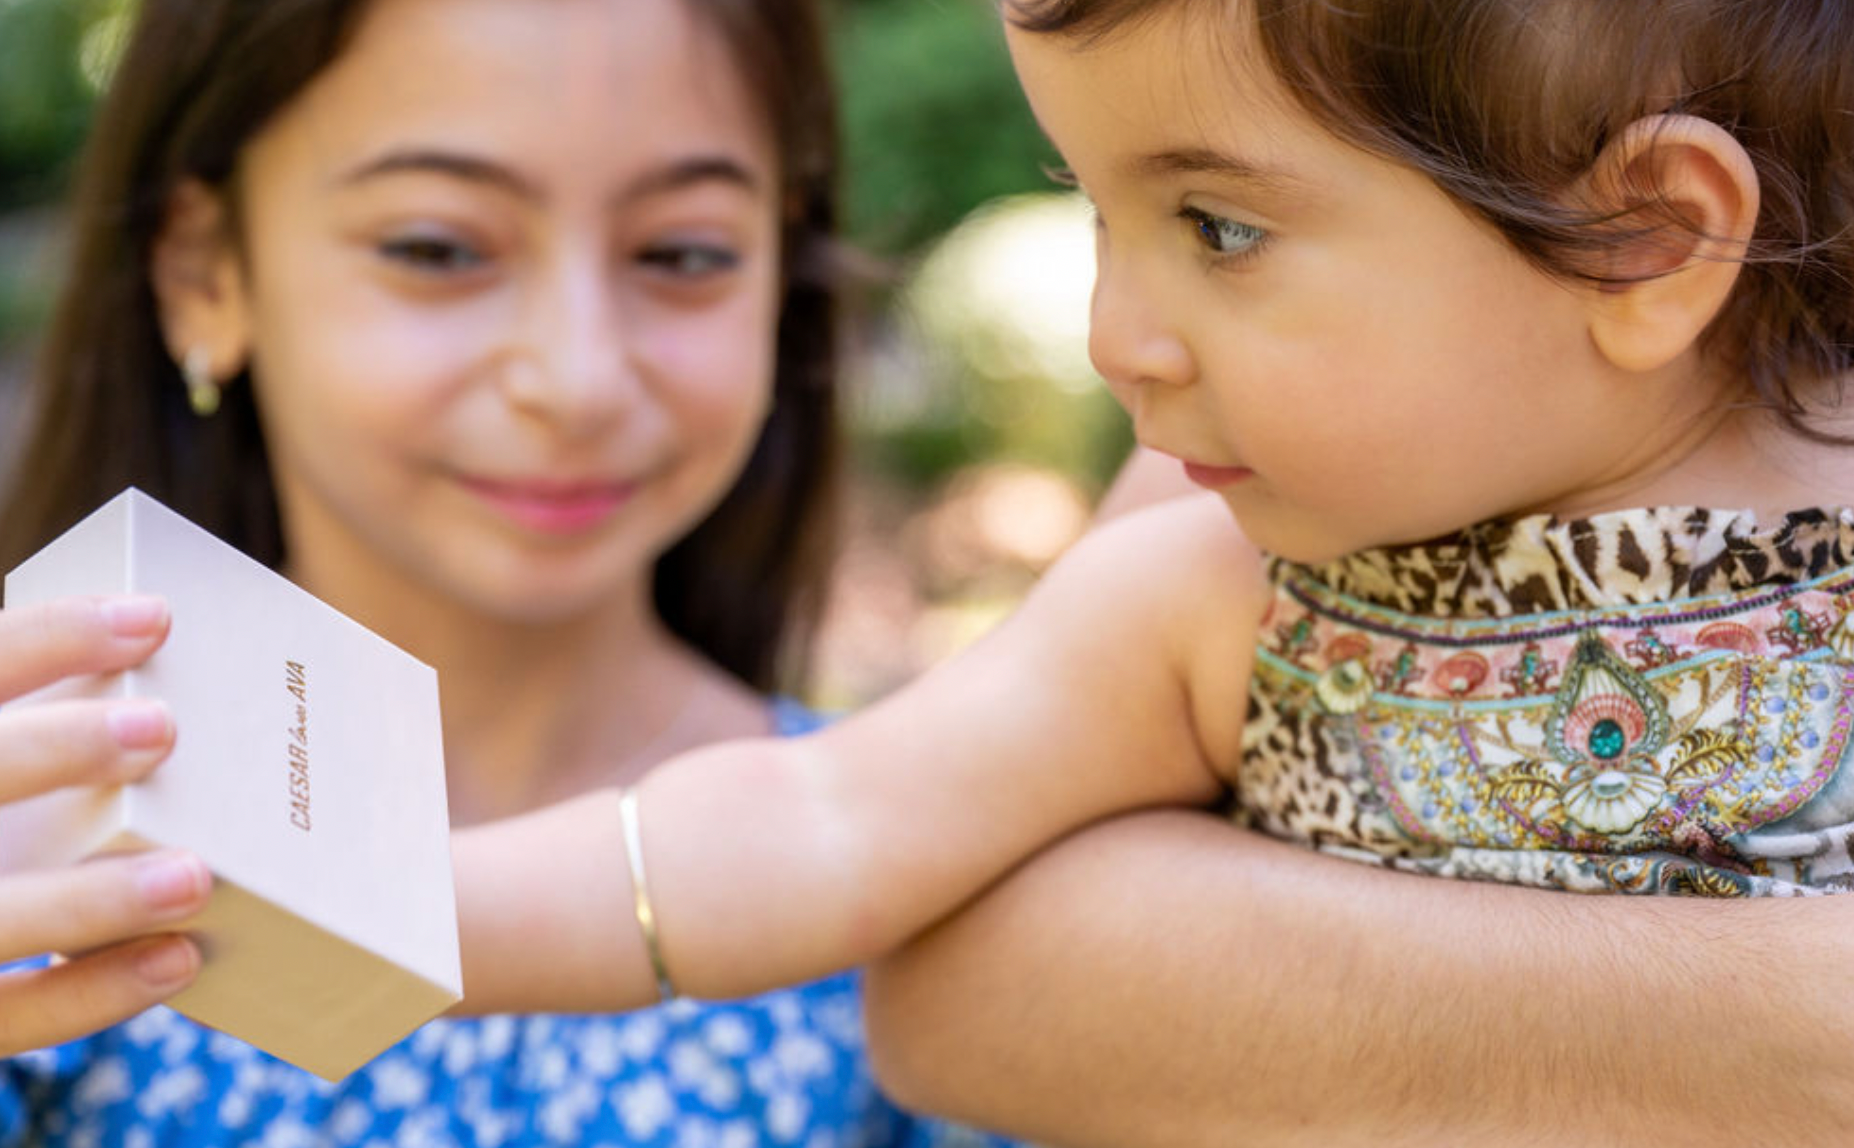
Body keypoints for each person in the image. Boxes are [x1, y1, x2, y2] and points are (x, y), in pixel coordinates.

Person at [442, 0, 1854, 1143]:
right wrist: (384, 907)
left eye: (1218, 229)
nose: (1114, 338)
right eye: (1101, 215)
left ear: (1643, 242)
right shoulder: (1229, 599)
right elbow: (819, 820)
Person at [0, 0, 1006, 1144]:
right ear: (202, 271)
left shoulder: (914, 873)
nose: (576, 376)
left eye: (683, 252)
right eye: (438, 247)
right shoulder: (39, 844)